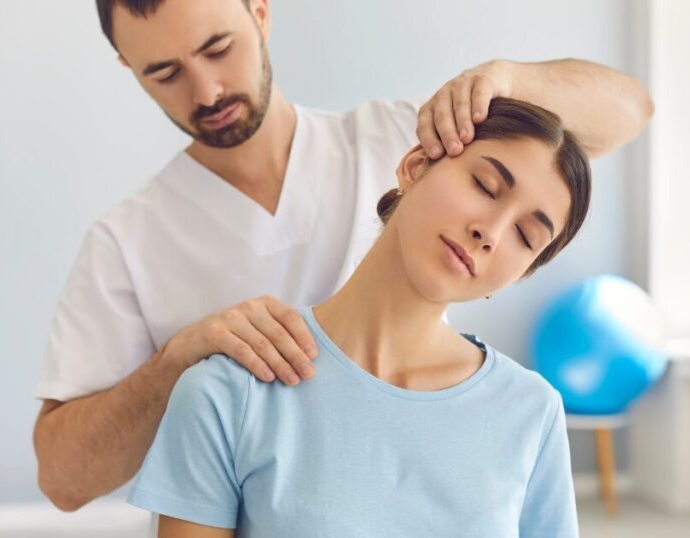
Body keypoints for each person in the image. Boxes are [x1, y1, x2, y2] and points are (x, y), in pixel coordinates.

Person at [33, 0, 655, 516]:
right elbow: (62, 479)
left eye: (218, 48)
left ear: (259, 11)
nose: (208, 89)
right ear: (128, 67)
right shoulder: (127, 245)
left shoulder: (400, 137)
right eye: (164, 73)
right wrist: (177, 363)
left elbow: (626, 114)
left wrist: (504, 80)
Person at [129, 97, 590, 537]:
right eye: (485, 186)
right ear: (415, 166)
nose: (489, 232)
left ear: (520, 274)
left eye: (525, 237)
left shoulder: (532, 412)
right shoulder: (231, 391)